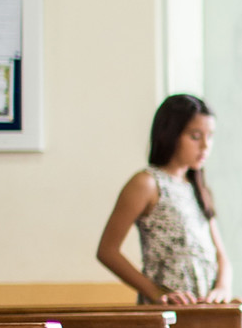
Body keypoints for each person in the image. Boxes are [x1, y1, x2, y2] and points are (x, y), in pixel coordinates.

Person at [96, 93, 232, 305]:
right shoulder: (147, 184)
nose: (205, 146)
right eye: (195, 136)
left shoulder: (199, 188)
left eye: (210, 136)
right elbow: (107, 250)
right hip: (167, 313)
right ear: (170, 134)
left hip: (204, 310)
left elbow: (221, 256)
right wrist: (156, 292)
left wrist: (223, 288)